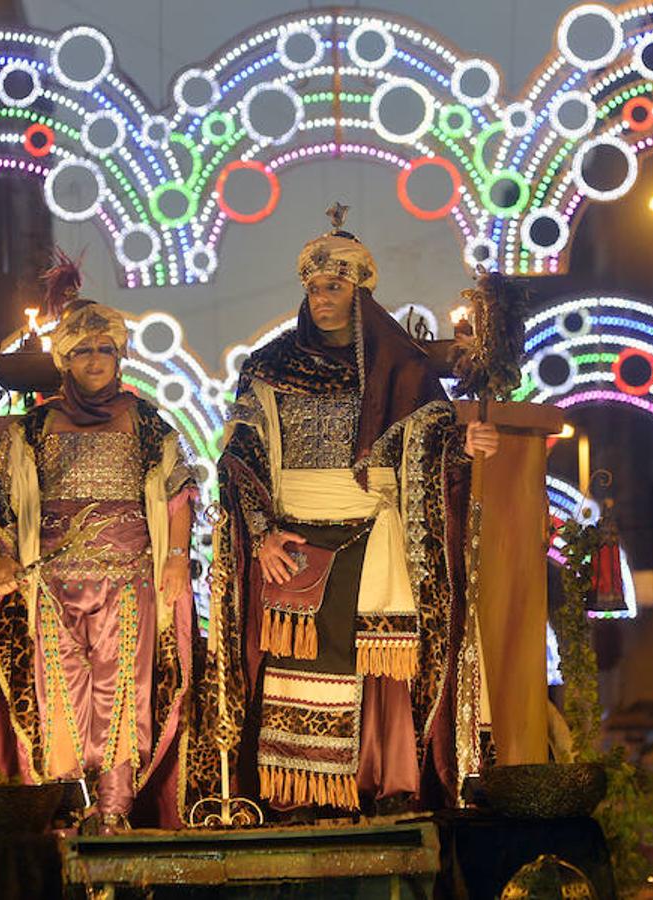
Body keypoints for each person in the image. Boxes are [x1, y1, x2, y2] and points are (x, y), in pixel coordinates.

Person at [186, 204, 498, 817]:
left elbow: (431, 446)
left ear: (359, 291)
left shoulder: (401, 367)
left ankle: (377, 785)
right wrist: (263, 532)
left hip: (375, 538)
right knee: (292, 661)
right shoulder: (270, 366)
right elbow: (239, 456)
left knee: (379, 663)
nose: (322, 298)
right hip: (295, 542)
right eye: (313, 287)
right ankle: (297, 798)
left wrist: (464, 445)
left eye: (333, 286)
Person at [0, 257, 197, 833]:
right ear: (64, 362)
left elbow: (180, 491)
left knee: (120, 693)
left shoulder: (146, 420)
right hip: (51, 583)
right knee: (59, 692)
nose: (96, 361)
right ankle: (65, 807)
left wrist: (177, 560)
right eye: (83, 352)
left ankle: (114, 811)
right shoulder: (34, 427)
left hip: (128, 578)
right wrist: (6, 553)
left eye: (106, 351)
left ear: (119, 357)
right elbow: (0, 495)